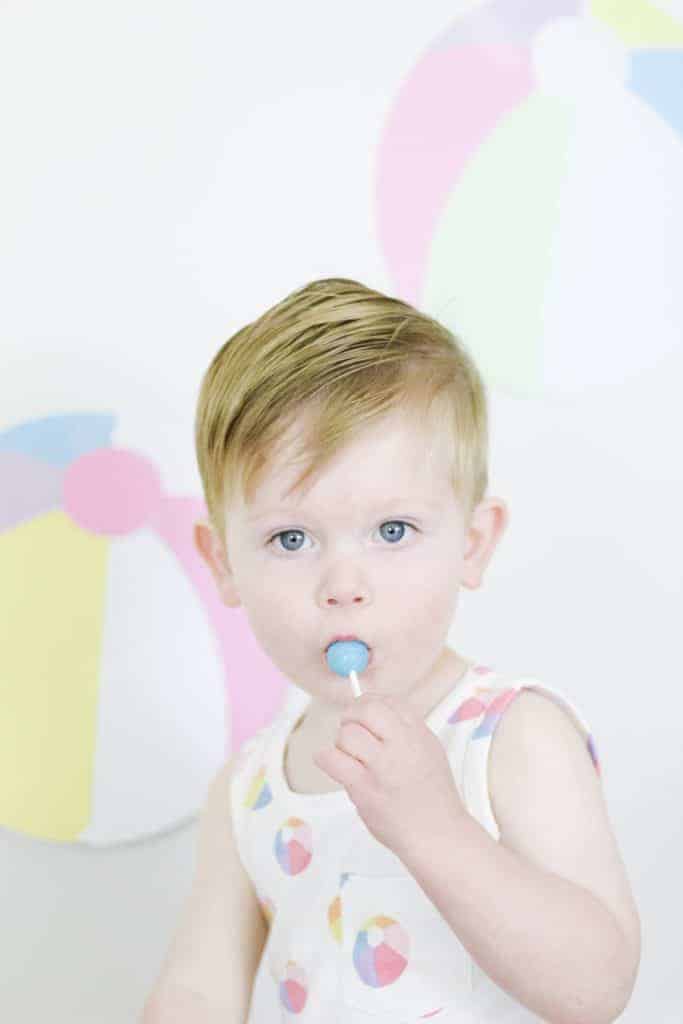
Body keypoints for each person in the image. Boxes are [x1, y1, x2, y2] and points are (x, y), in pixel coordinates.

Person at [141, 278, 641, 1022]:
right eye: (290, 538)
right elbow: (198, 989)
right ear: (222, 564)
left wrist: (432, 826)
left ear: (471, 545)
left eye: (392, 531)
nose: (343, 585)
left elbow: (595, 988)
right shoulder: (247, 790)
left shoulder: (511, 735)